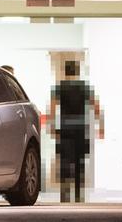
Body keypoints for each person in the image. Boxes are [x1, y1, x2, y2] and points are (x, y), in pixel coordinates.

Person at [47, 60, 104, 203]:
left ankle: (65, 193)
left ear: (66, 71)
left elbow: (53, 108)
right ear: (77, 71)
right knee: (80, 161)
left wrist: (52, 125)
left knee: (65, 160)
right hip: (80, 128)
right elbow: (96, 107)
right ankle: (79, 193)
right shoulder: (84, 87)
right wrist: (100, 126)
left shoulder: (59, 88)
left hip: (65, 129)